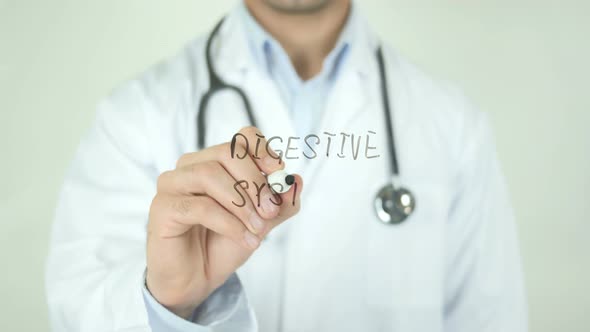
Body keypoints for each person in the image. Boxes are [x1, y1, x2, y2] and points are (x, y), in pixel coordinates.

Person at [45, 0, 528, 331]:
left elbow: (492, 320)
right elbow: (76, 312)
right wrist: (167, 301)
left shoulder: (452, 125)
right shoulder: (135, 115)